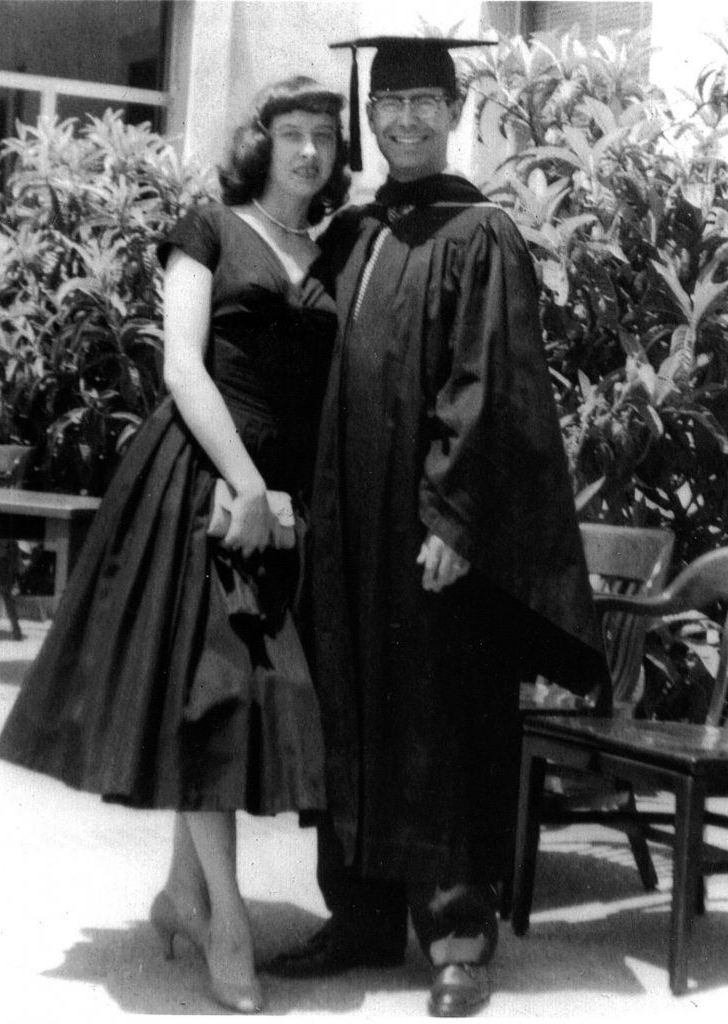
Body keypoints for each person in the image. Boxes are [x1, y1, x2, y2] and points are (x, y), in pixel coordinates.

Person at [268, 38, 611, 1018]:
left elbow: (486, 383)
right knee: (349, 712)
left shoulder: (480, 233)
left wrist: (455, 518)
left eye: (425, 100)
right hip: (345, 527)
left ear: (456, 111)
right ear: (369, 117)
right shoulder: (354, 234)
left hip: (425, 531)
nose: (407, 119)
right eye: (391, 103)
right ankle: (360, 919)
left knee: (440, 721)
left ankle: (457, 937)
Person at [0, 75, 349, 1015]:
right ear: (262, 142)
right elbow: (182, 366)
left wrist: (285, 497)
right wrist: (243, 483)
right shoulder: (210, 229)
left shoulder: (334, 251)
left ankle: (184, 896)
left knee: (230, 701)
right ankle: (226, 920)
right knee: (211, 694)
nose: (307, 152)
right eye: (292, 134)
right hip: (200, 480)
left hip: (282, 498)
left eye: (323, 136)